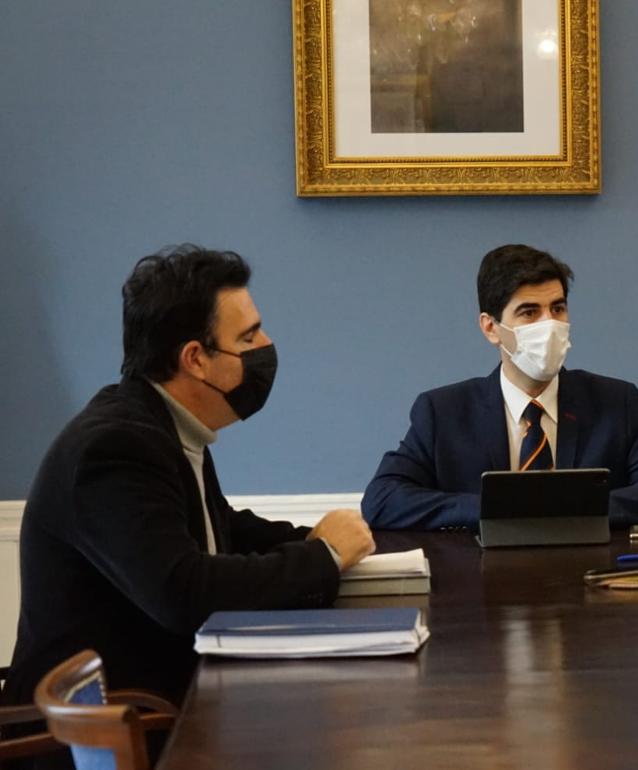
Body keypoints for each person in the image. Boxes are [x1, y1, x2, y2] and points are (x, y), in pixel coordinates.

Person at [0, 246, 375, 717]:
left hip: (163, 708)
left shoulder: (163, 425)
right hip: (108, 735)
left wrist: (318, 540)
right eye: (249, 336)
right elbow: (183, 592)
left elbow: (219, 529)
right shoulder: (114, 447)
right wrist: (322, 556)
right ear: (195, 358)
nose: (266, 346)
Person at [362, 244, 638, 530]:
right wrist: (495, 509)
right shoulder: (443, 412)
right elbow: (383, 499)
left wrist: (567, 509)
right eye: (529, 312)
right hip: (479, 589)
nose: (549, 325)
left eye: (558, 309)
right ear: (491, 328)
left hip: (589, 585)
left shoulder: (614, 402)